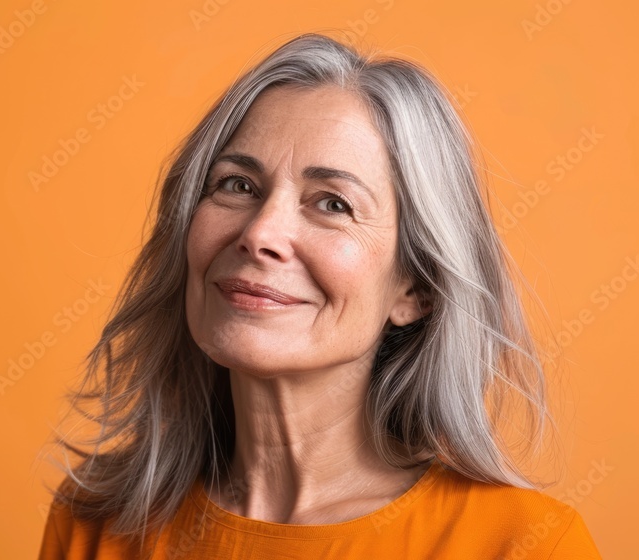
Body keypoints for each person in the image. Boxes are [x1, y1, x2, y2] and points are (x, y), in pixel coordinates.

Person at [37, 32, 603, 559]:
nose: (259, 234)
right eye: (238, 185)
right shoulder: (98, 523)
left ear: (416, 288)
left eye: (332, 203)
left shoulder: (524, 545)